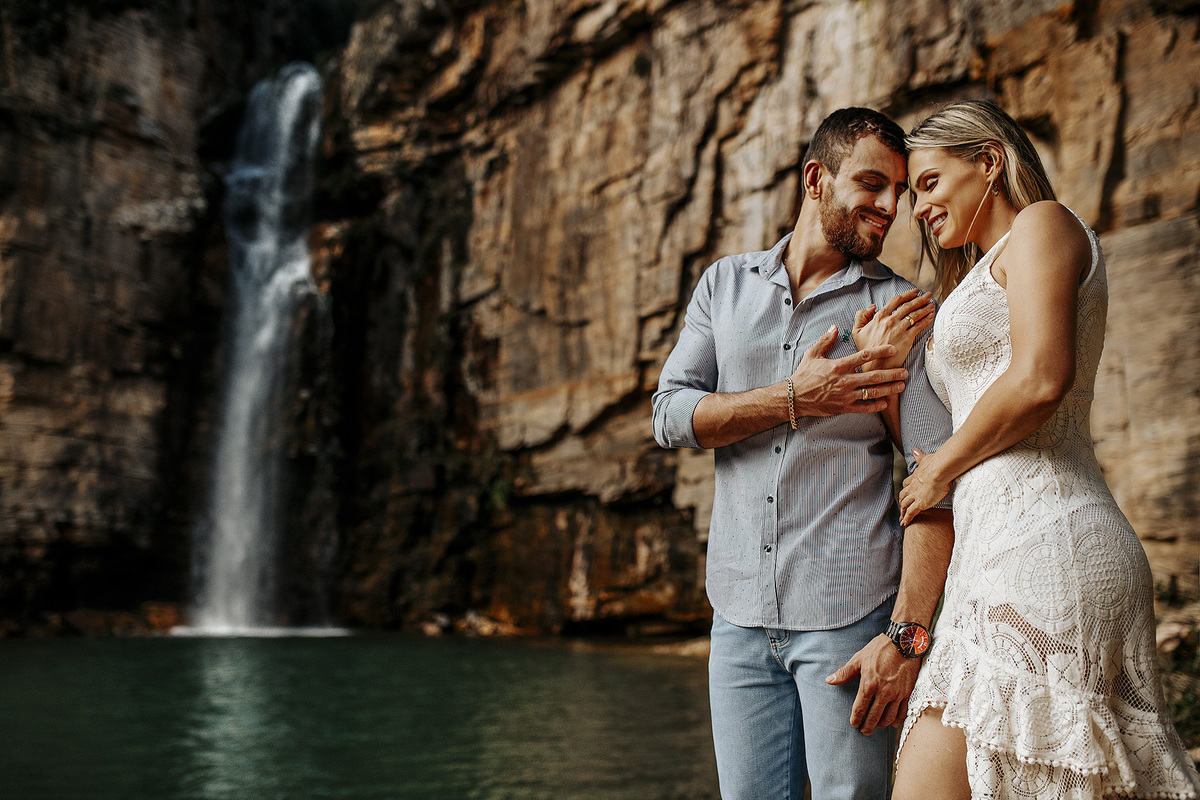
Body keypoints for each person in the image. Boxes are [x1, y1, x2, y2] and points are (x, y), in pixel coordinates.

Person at [889, 99, 1200, 800]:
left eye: (930, 183)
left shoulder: (1043, 223)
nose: (918, 209)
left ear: (989, 162)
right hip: (986, 556)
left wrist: (940, 468)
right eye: (913, 194)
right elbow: (957, 411)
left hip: (1049, 542)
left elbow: (1040, 376)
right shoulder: (972, 278)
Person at [652, 107, 955, 800]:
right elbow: (668, 416)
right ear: (816, 178)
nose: (889, 207)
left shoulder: (899, 311)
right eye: (872, 184)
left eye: (899, 193)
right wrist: (793, 397)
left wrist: (907, 638)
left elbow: (933, 480)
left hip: (849, 621)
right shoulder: (723, 287)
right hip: (736, 621)